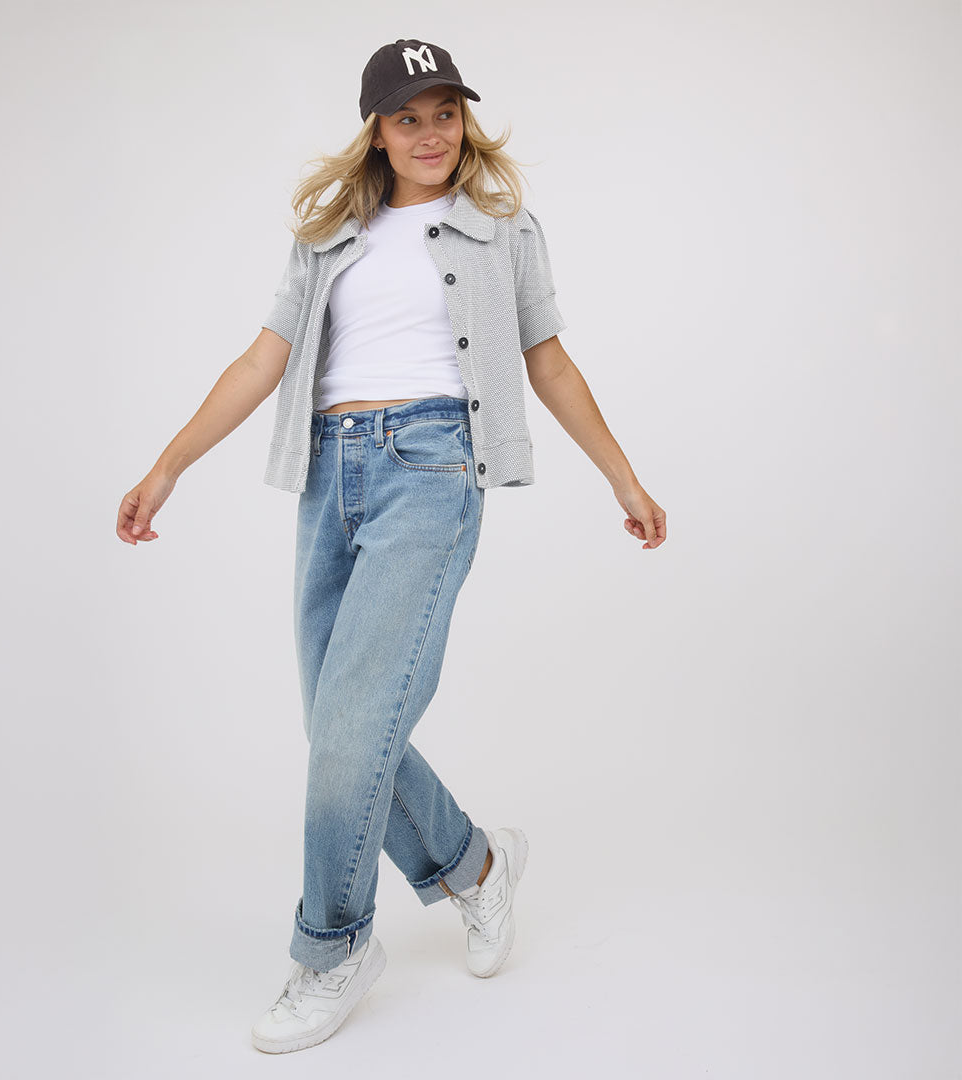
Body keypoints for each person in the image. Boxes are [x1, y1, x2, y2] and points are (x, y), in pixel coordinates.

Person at [115, 37, 666, 1055]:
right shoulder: (330, 234)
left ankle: (332, 949)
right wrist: (168, 466)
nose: (430, 134)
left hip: (431, 468)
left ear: (465, 120)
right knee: (340, 724)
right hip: (329, 475)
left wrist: (622, 477)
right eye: (408, 117)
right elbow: (262, 359)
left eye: (445, 113)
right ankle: (475, 866)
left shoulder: (502, 229)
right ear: (375, 129)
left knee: (349, 729)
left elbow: (547, 361)